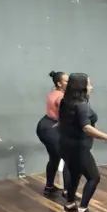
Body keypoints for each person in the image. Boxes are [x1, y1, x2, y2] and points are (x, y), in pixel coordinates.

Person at [58, 73, 107, 212]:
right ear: (81, 87)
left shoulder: (66, 101)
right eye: (89, 84)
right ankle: (82, 211)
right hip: (79, 148)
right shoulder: (81, 105)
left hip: (65, 145)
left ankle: (70, 205)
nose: (91, 87)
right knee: (94, 177)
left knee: (75, 175)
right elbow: (86, 128)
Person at [38, 70, 68, 199]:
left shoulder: (55, 92)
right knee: (68, 158)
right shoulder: (61, 97)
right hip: (50, 128)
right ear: (59, 83)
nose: (70, 83)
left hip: (46, 125)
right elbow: (65, 111)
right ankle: (68, 192)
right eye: (67, 81)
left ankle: (49, 187)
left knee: (55, 158)